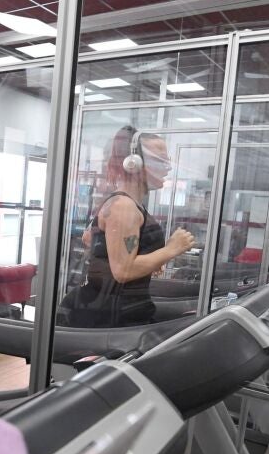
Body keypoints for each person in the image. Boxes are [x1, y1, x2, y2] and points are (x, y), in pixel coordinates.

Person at [59, 125, 195, 328]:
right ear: (134, 162)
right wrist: (171, 249)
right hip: (108, 316)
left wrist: (150, 260)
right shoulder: (124, 207)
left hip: (123, 308)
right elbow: (123, 270)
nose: (167, 167)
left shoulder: (128, 204)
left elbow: (94, 242)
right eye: (160, 160)